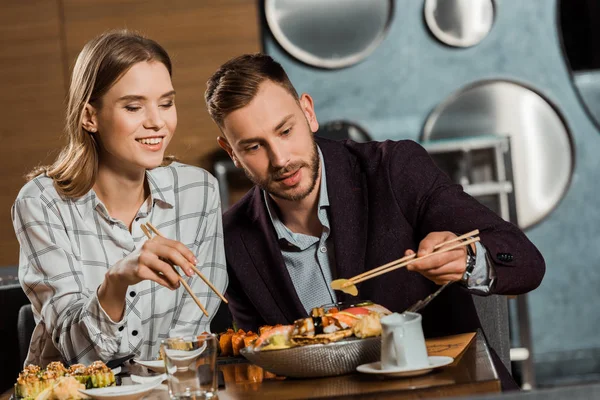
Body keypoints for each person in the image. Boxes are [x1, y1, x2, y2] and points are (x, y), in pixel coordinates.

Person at [204, 53, 545, 389]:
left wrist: (468, 259)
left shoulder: (394, 169)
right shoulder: (233, 239)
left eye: (285, 130)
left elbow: (526, 262)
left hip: (448, 392)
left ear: (308, 112)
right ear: (231, 152)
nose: (281, 159)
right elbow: (261, 373)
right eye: (253, 147)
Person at [12, 30, 227, 367]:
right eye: (133, 107)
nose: (157, 122)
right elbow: (79, 353)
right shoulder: (41, 203)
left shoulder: (198, 191)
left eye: (166, 103)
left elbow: (191, 336)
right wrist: (117, 281)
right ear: (90, 117)